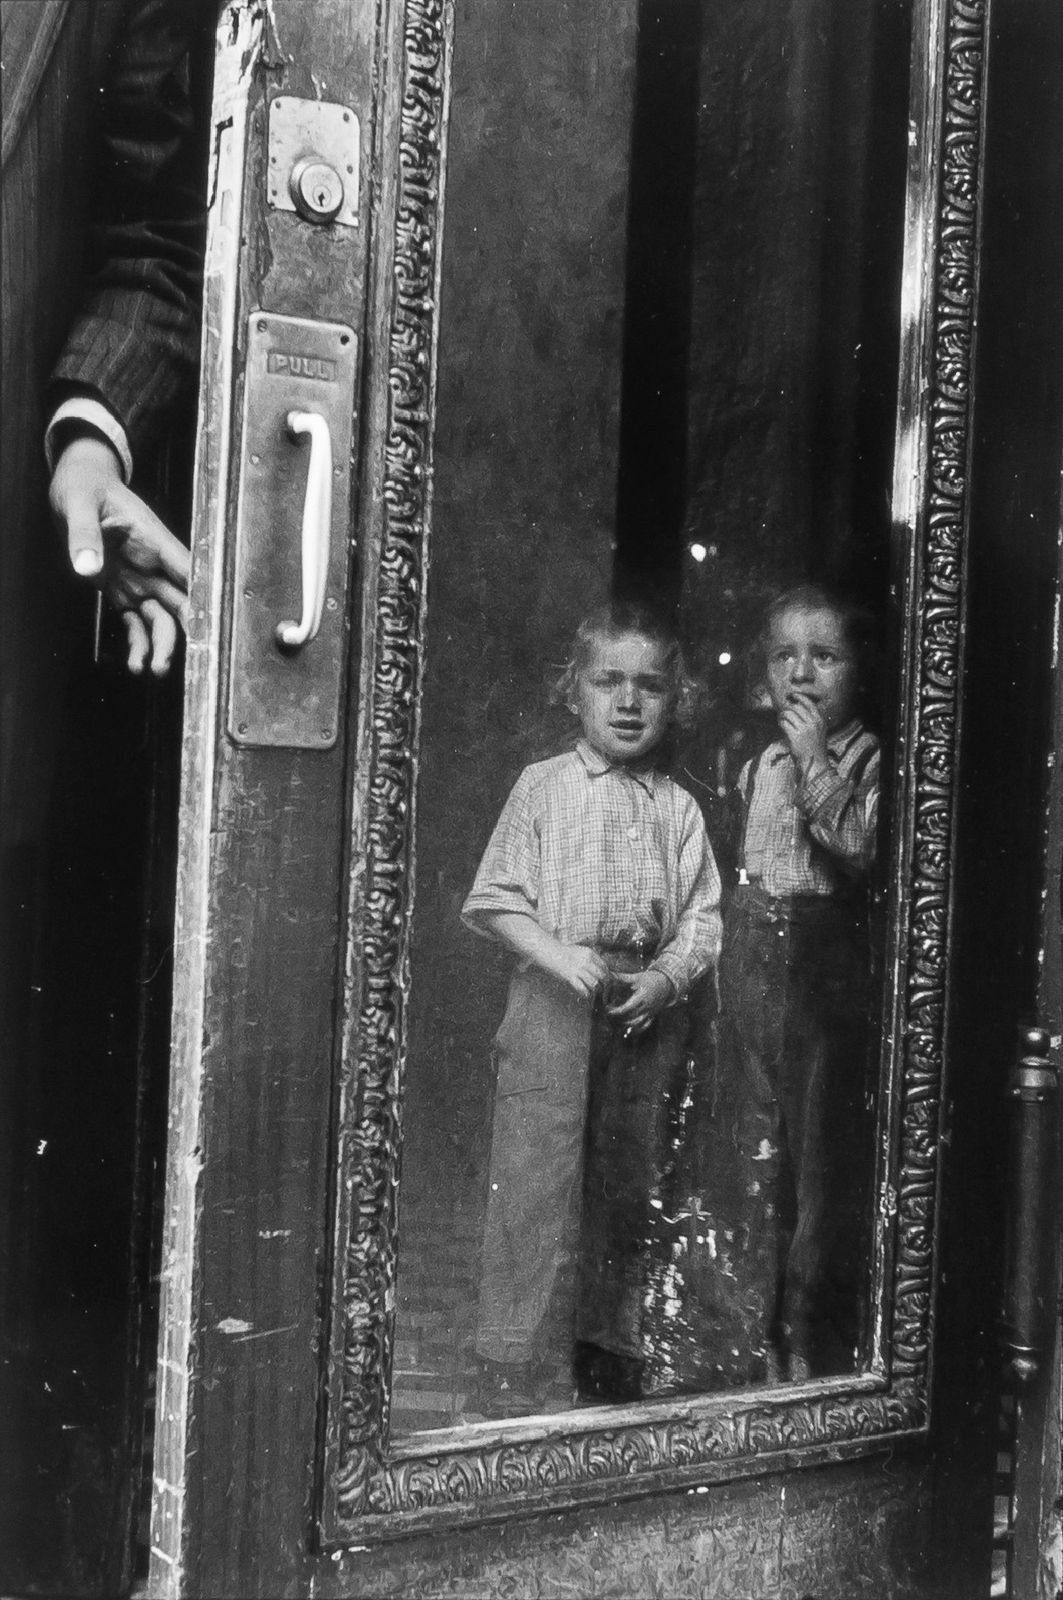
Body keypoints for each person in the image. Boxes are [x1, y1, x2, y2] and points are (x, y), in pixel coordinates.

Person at [460, 602, 722, 1415]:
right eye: (607, 681)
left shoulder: (678, 807)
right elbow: (494, 899)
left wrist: (666, 980)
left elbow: (703, 919)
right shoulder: (541, 787)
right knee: (531, 1184)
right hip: (550, 1003)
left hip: (639, 1013)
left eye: (649, 685)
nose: (628, 701)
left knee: (628, 1184)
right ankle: (506, 1355)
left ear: (675, 699)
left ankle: (611, 1347)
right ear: (571, 691)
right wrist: (554, 951)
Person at [715, 583, 881, 1382]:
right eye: (786, 656)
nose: (803, 674)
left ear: (857, 671)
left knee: (819, 1160)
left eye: (825, 656)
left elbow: (858, 847)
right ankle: (754, 1338)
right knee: (754, 1146)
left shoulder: (868, 758)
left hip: (822, 970)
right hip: (754, 961)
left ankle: (814, 1343)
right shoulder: (756, 765)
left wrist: (817, 762)